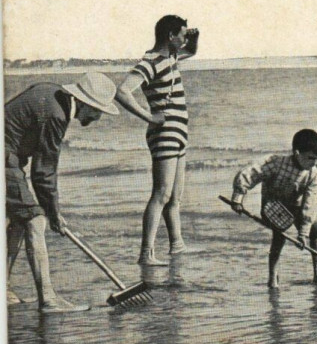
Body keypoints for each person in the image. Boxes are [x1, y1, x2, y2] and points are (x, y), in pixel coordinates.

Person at [5, 72, 119, 312]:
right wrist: (53, 214)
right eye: (98, 111)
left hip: (9, 160)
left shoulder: (52, 93)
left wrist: (52, 209)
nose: (98, 118)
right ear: (87, 104)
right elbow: (43, 173)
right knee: (35, 220)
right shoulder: (56, 115)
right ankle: (49, 299)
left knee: (20, 219)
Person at [116, 15, 199, 265]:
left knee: (174, 197)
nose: (185, 40)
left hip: (178, 131)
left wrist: (194, 36)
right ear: (171, 36)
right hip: (164, 132)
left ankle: (177, 245)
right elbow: (121, 91)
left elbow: (192, 51)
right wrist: (149, 117)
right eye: (182, 35)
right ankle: (146, 254)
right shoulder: (150, 61)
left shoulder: (171, 57)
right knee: (161, 194)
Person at [230, 129, 317, 288]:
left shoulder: (314, 175)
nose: (314, 162)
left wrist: (303, 233)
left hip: (295, 206)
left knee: (316, 232)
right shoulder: (275, 163)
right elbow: (250, 173)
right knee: (279, 236)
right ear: (296, 152)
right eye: (310, 158)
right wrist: (238, 198)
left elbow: (311, 203)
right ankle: (273, 278)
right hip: (272, 206)